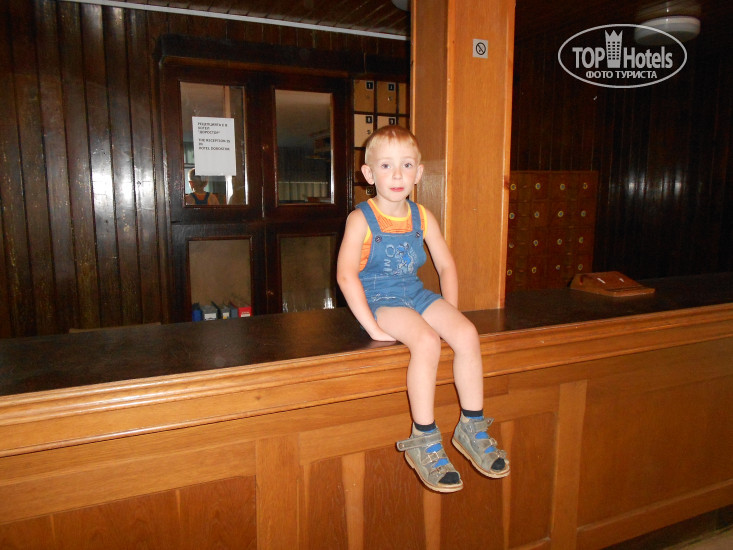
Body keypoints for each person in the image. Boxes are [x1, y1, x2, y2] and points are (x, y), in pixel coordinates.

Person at [336, 125, 509, 493]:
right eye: (386, 166)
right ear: (369, 174)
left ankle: (471, 426)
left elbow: (446, 265)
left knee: (466, 333)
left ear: (419, 172)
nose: (397, 175)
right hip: (379, 299)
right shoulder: (360, 219)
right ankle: (424, 437)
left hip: (414, 292)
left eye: (406, 165)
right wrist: (371, 326)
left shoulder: (422, 216)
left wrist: (451, 312)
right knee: (427, 341)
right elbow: (346, 275)